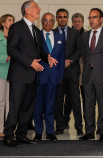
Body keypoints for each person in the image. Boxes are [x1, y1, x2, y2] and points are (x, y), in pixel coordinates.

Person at [3, 0, 57, 147]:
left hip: (33, 76)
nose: (39, 9)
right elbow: (12, 50)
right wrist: (29, 62)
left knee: (27, 108)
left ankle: (21, 135)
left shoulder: (35, 30)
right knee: (15, 107)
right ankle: (8, 136)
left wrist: (47, 57)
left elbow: (39, 51)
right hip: (19, 75)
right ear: (27, 10)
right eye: (36, 7)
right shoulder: (16, 27)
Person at [79, 8, 103, 141]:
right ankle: (89, 131)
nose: (91, 20)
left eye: (94, 17)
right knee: (88, 104)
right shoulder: (84, 36)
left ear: (101, 19)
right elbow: (84, 54)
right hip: (88, 75)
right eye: (90, 18)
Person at [33, 13, 65, 142]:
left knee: (51, 105)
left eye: (51, 21)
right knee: (38, 105)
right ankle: (39, 132)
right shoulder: (36, 36)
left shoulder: (60, 37)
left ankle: (50, 132)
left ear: (54, 23)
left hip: (54, 76)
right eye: (45, 20)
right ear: (41, 22)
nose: (48, 23)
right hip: (39, 75)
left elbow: (62, 57)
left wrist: (61, 75)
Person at [54, 8, 84, 136]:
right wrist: (61, 63)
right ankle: (60, 126)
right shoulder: (52, 32)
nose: (62, 19)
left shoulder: (75, 32)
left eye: (65, 17)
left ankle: (79, 127)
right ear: (57, 18)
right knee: (58, 100)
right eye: (60, 17)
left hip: (72, 70)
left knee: (75, 100)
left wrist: (70, 61)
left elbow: (79, 49)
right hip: (57, 71)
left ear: (67, 18)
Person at [0, 14, 15, 139]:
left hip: (13, 74)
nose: (12, 22)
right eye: (9, 20)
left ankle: (9, 127)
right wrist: (7, 58)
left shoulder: (15, 38)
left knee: (11, 103)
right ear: (3, 23)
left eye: (12, 20)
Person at [64, 13, 87, 128]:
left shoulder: (87, 34)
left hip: (84, 72)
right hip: (70, 70)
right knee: (69, 98)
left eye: (79, 21)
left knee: (84, 98)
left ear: (82, 22)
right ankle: (65, 120)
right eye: (75, 21)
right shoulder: (67, 34)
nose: (77, 23)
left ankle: (86, 123)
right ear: (72, 23)